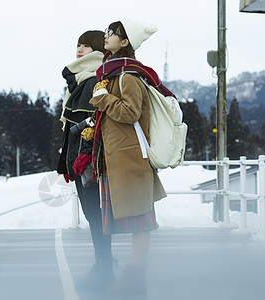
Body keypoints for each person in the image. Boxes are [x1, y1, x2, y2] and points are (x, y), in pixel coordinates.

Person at [89, 19, 172, 296]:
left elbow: (130, 113)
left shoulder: (128, 76)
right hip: (118, 159)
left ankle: (137, 276)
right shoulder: (112, 73)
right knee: (132, 219)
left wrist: (103, 99)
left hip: (130, 161)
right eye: (107, 32)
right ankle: (133, 278)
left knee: (140, 222)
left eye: (111, 34)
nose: (106, 36)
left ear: (125, 42)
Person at [56, 30, 114, 290]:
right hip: (83, 157)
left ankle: (104, 266)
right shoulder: (84, 79)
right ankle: (103, 263)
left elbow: (95, 119)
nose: (79, 50)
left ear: (97, 50)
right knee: (94, 214)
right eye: (77, 45)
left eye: (85, 46)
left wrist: (81, 147)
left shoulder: (92, 80)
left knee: (95, 213)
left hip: (88, 159)